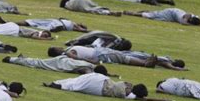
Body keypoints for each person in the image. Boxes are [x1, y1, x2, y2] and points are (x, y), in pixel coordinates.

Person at [44, 73, 174, 101]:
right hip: (100, 86)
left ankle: (58, 84)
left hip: (101, 79)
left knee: (75, 82)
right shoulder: (128, 95)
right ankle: (59, 85)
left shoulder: (126, 85)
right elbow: (147, 100)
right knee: (75, 84)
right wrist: (162, 100)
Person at [48, 46, 187, 70]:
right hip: (99, 54)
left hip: (99, 51)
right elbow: (78, 59)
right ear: (57, 51)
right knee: (122, 57)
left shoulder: (67, 51)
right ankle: (145, 64)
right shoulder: (67, 53)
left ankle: (159, 62)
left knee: (126, 55)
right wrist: (93, 61)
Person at [2, 54, 105, 75]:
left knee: (38, 61)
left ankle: (22, 58)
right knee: (37, 63)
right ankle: (11, 59)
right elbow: (84, 72)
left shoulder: (90, 64)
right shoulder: (88, 68)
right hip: (59, 64)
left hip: (63, 60)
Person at [0, 16, 88, 32]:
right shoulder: (71, 21)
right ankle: (7, 22)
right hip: (53, 20)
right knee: (31, 21)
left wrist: (86, 30)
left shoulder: (74, 26)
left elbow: (83, 30)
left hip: (59, 24)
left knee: (50, 27)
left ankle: (55, 29)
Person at [124, 8, 200, 25]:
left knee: (155, 16)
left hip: (172, 14)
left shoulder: (195, 17)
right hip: (170, 13)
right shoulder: (184, 17)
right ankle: (131, 13)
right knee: (151, 16)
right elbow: (185, 21)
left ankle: (145, 11)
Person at [65, 31, 132, 50]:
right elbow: (97, 33)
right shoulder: (116, 39)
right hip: (96, 38)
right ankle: (73, 44)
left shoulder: (117, 46)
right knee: (85, 42)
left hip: (99, 44)